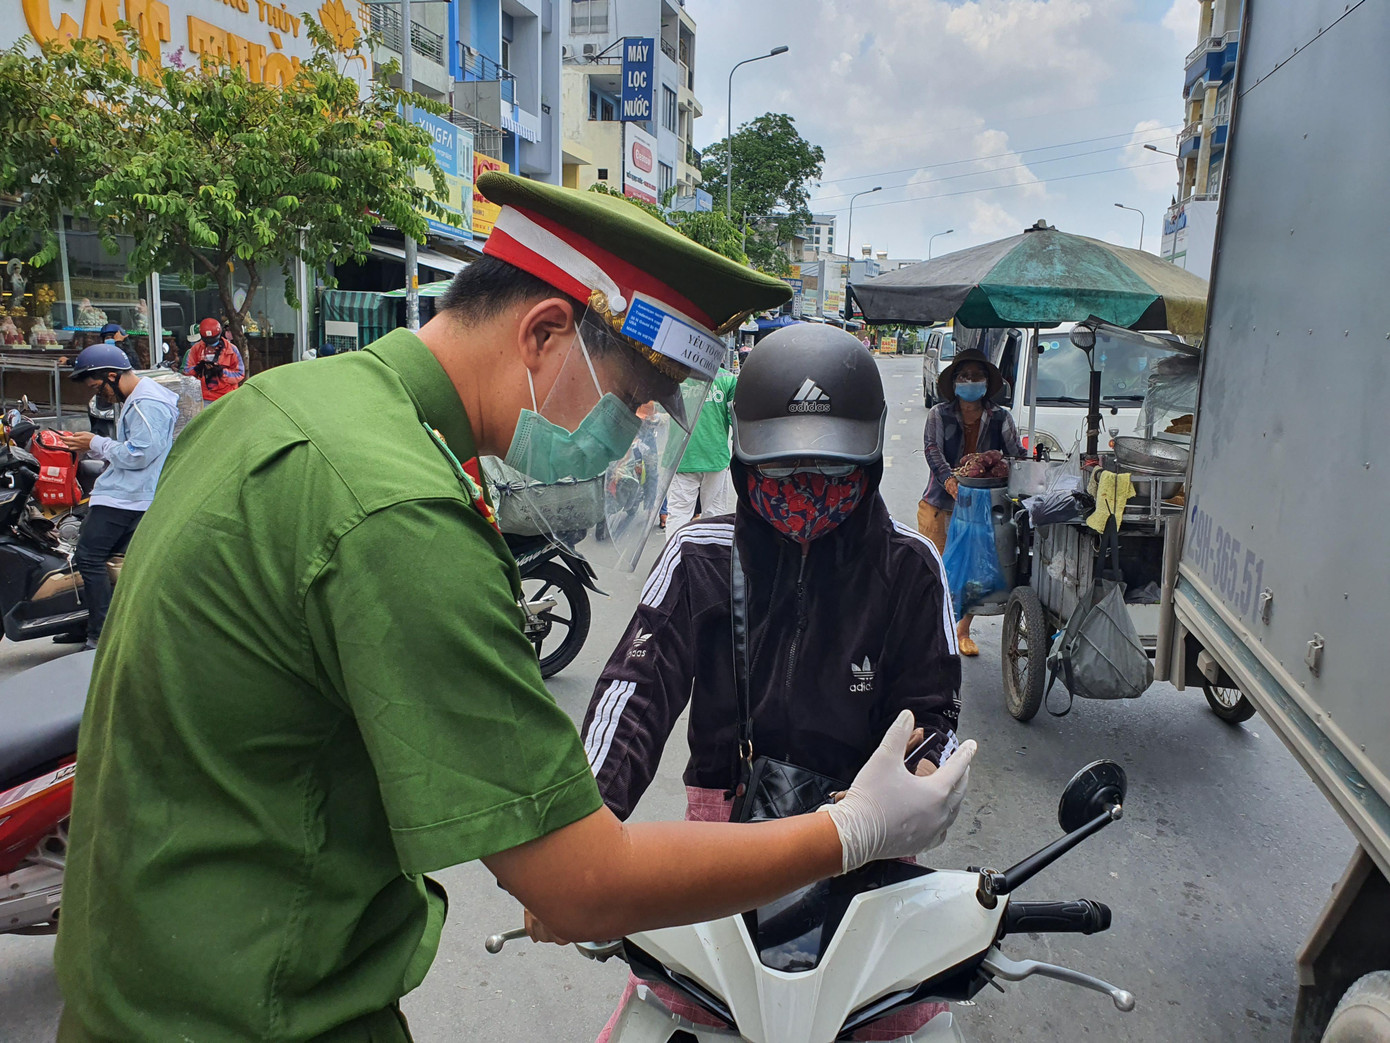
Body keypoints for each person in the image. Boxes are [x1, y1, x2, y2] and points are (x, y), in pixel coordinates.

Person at [53, 172, 975, 1043]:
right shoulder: (400, 513)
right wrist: (850, 830)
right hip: (261, 1011)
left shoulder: (276, 406)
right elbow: (582, 876)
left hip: (146, 989)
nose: (625, 436)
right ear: (543, 333)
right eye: (631, 401)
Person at [571, 324, 969, 1041]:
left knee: (889, 1018)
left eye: (831, 470)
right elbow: (633, 691)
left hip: (866, 838)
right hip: (721, 839)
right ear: (743, 461)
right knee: (679, 1005)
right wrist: (581, 828)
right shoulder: (697, 555)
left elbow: (932, 710)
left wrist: (917, 781)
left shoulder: (910, 567)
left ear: (870, 459)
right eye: (783, 470)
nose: (807, 490)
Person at [54, 343, 179, 650]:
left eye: (97, 387)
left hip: (127, 497)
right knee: (103, 561)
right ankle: (90, 624)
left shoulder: (147, 403)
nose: (99, 395)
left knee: (89, 558)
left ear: (112, 375)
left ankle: (99, 634)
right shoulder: (139, 399)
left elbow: (140, 454)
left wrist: (95, 443)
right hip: (128, 492)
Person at [918, 347, 1025, 656]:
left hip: (981, 508)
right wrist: (949, 481)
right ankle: (931, 631)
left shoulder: (1000, 417)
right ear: (954, 382)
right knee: (934, 569)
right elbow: (932, 450)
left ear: (986, 383)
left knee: (972, 573)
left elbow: (1015, 452)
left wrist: (1029, 468)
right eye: (964, 376)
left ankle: (962, 631)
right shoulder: (939, 414)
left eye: (977, 376)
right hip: (940, 502)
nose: (970, 381)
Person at [664, 362, 737, 535]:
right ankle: (711, 551)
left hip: (681, 455)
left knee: (679, 513)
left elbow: (657, 410)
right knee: (714, 514)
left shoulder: (672, 375)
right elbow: (735, 419)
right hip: (715, 457)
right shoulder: (727, 378)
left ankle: (676, 551)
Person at [182, 316, 244, 401]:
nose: (211, 346)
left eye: (212, 340)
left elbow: (240, 374)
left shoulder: (231, 350)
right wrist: (197, 369)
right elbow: (186, 372)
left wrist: (221, 372)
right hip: (204, 397)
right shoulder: (196, 349)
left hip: (226, 397)